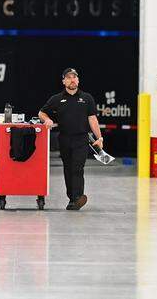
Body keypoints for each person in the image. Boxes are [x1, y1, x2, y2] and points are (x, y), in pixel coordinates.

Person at [38, 68, 103, 210]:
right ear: (64, 81)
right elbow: (41, 113)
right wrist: (47, 120)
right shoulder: (56, 99)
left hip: (81, 139)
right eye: (69, 77)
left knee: (78, 168)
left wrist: (99, 138)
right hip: (64, 139)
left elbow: (92, 119)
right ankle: (72, 199)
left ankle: (78, 197)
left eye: (74, 77)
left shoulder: (87, 98)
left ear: (78, 80)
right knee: (68, 169)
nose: (72, 79)